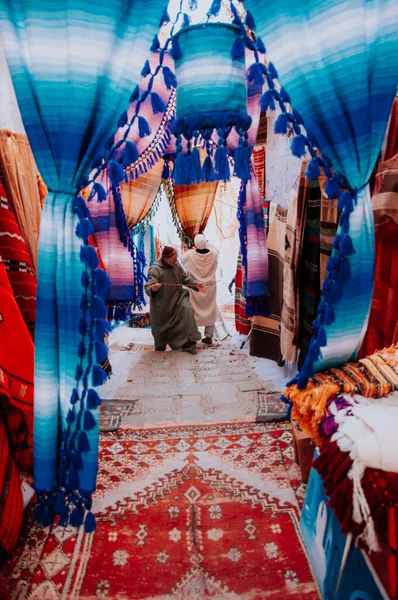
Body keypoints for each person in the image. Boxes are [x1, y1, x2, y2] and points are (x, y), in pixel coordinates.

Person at [145, 245, 205, 354]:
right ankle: (160, 346)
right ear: (166, 258)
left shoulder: (176, 265)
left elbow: (184, 278)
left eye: (176, 258)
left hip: (178, 299)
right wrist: (153, 288)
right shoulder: (155, 269)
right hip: (163, 304)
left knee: (187, 310)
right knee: (161, 333)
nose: (176, 261)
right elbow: (148, 286)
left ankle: (189, 342)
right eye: (174, 259)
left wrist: (196, 285)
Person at [181, 234, 219, 345]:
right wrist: (205, 241)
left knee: (193, 311)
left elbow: (182, 260)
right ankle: (209, 336)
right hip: (210, 287)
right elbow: (214, 248)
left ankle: (192, 337)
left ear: (195, 245)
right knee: (210, 309)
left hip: (195, 287)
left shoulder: (188, 255)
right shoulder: (214, 254)